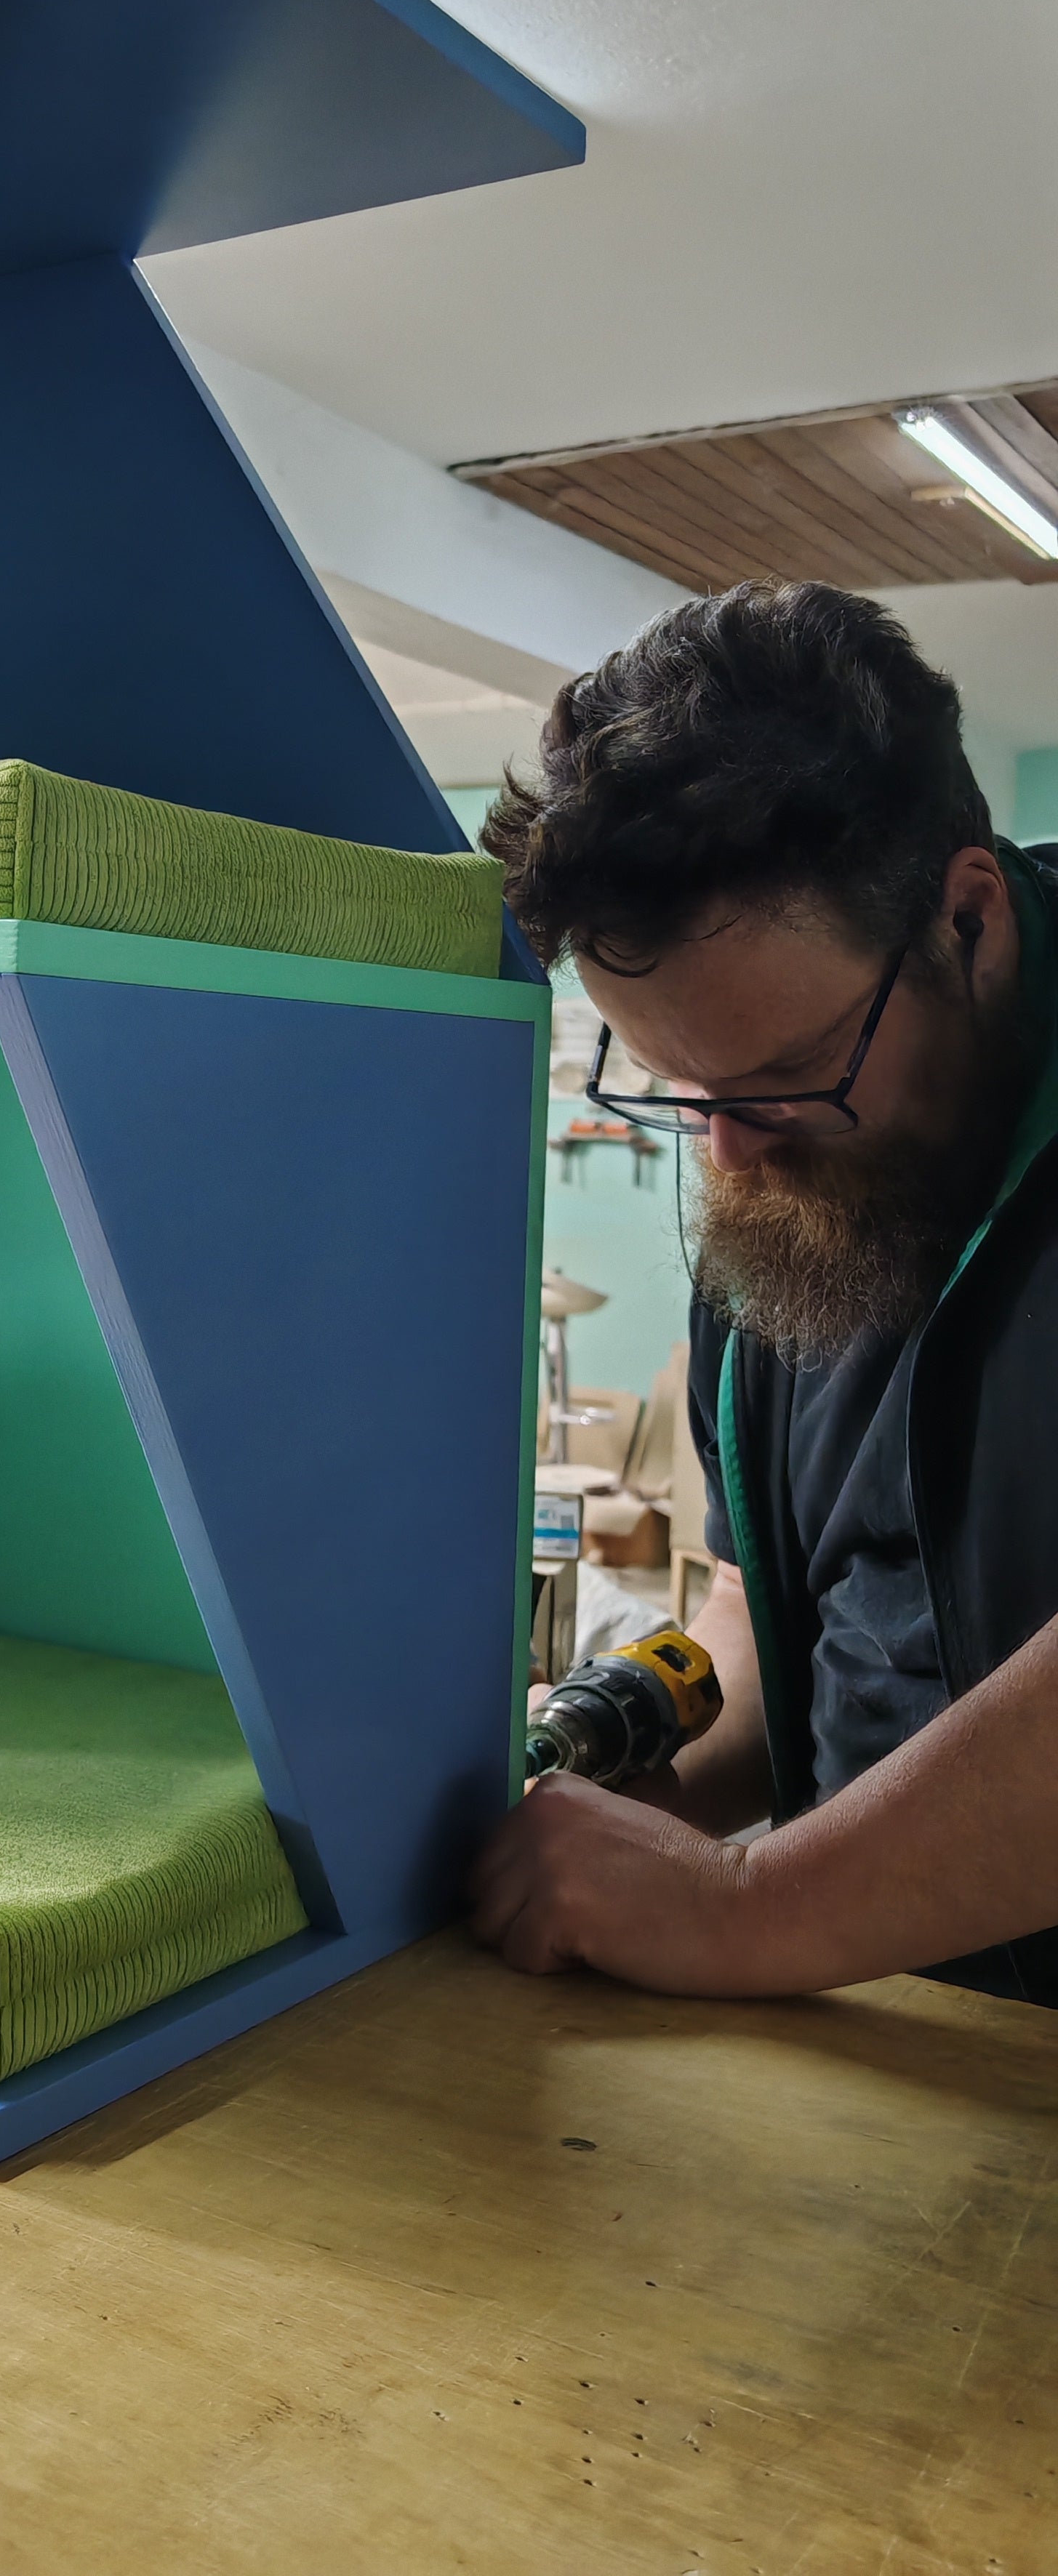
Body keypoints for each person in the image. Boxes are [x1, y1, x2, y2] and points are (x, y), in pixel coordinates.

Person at [467, 578, 1058, 2003]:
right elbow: (759, 1600)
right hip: (919, 2052)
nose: (730, 1148)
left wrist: (745, 1904)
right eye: (682, 1086)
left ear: (966, 920)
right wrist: (633, 1765)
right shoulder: (780, 1178)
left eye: (786, 1079)